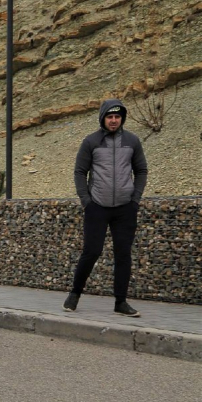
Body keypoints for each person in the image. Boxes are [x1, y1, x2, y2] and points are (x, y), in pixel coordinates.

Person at [64, 99, 148, 317]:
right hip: (97, 207)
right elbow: (79, 172)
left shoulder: (132, 141)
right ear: (103, 118)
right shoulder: (91, 141)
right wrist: (86, 201)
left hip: (125, 209)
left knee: (123, 255)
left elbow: (141, 171)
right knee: (91, 252)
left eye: (117, 117)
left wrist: (135, 199)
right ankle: (74, 294)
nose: (113, 120)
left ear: (122, 119)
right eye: (110, 117)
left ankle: (121, 302)